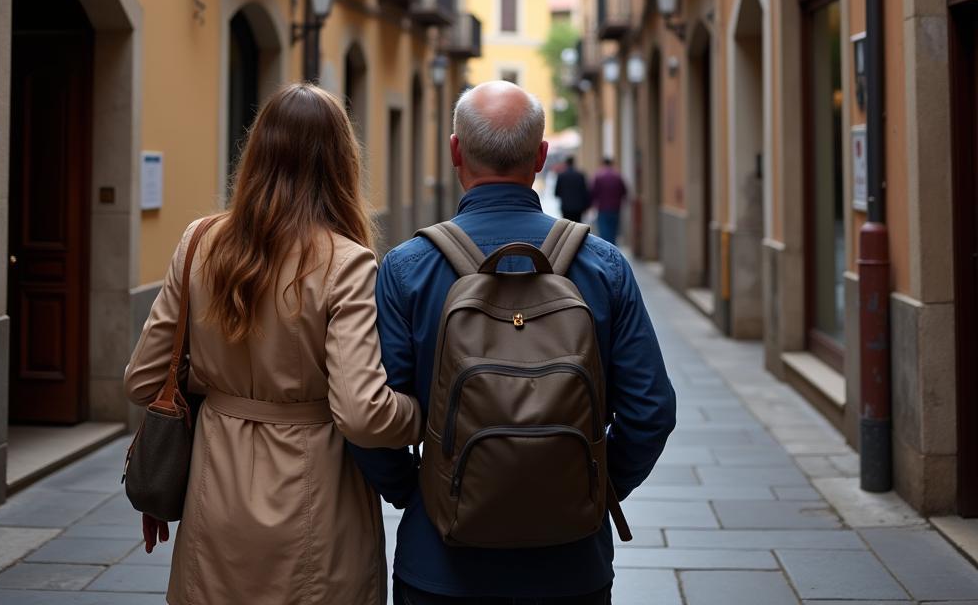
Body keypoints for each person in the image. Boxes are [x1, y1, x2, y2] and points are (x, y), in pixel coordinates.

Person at [351, 80, 676, 604]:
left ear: (455, 150)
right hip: (571, 567)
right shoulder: (603, 264)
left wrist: (417, 490)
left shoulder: (407, 268)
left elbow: (368, 415)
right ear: (542, 157)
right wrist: (585, 486)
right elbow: (652, 410)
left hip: (442, 565)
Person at [124, 84, 420, 605]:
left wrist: (219, 381)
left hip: (214, 487)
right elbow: (362, 412)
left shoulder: (199, 241)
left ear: (256, 153)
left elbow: (143, 380)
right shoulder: (346, 262)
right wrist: (421, 415)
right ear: (340, 162)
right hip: (318, 496)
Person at [589, 158, 628, 246]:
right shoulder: (618, 176)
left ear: (603, 164)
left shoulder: (599, 176)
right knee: (613, 232)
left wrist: (591, 205)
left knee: (604, 232)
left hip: (602, 208)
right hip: (615, 208)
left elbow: (593, 193)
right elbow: (624, 192)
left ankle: (606, 251)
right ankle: (613, 249)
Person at [554, 155, 590, 222]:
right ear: (574, 163)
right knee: (578, 227)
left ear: (566, 163)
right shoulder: (580, 175)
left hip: (566, 207)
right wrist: (586, 206)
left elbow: (556, 193)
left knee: (567, 228)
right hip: (578, 207)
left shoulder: (561, 176)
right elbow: (585, 192)